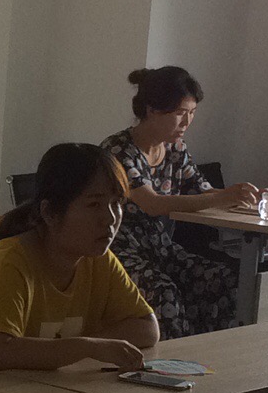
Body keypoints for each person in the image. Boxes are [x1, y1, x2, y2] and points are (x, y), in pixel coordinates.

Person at [0, 144, 159, 385]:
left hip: (39, 391)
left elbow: (146, 328)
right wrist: (86, 347)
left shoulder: (98, 259)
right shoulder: (8, 262)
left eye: (117, 203)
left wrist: (84, 348)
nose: (111, 218)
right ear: (49, 213)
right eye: (94, 205)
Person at [100, 66, 259, 338]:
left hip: (162, 250)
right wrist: (223, 197)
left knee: (224, 280)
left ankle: (215, 355)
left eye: (192, 113)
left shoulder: (175, 148)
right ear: (152, 110)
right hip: (119, 253)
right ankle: (172, 360)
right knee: (165, 294)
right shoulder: (117, 150)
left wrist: (244, 196)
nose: (186, 122)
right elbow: (152, 203)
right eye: (179, 113)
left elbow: (203, 191)